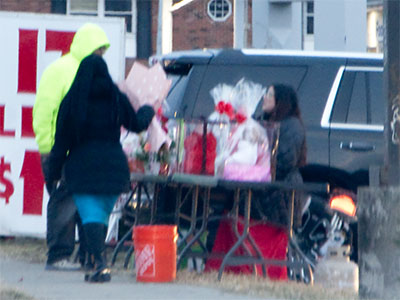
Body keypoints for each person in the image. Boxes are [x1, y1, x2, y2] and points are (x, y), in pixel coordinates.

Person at [46, 54, 155, 283]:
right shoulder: (116, 97)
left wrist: (52, 174)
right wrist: (148, 108)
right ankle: (95, 262)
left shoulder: (72, 101)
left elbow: (60, 145)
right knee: (101, 217)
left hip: (83, 168)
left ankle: (100, 265)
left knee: (91, 215)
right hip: (114, 168)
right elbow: (136, 124)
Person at [33, 23, 111, 270]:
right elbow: (45, 111)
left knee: (79, 203)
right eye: (98, 50)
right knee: (66, 202)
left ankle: (85, 256)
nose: (100, 55)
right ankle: (59, 255)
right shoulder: (61, 70)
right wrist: (47, 146)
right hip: (64, 151)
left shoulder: (81, 71)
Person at [256, 83, 307, 226]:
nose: (264, 98)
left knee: (272, 237)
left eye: (270, 95)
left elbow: (285, 161)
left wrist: (258, 170)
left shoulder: (291, 125)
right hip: (266, 191)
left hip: (281, 193)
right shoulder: (263, 121)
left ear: (281, 100)